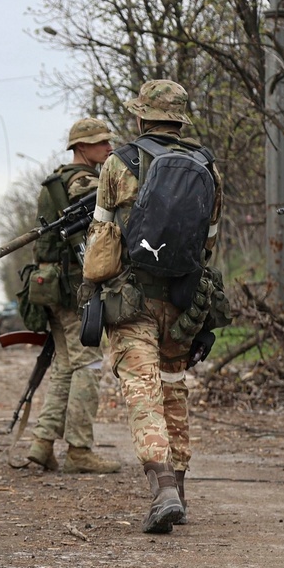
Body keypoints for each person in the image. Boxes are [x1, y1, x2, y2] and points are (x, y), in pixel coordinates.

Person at [84, 79, 223, 534]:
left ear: (141, 117)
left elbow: (102, 240)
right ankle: (179, 489)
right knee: (173, 386)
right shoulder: (207, 166)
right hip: (183, 299)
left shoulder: (117, 164)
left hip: (132, 299)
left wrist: (92, 291)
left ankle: (161, 487)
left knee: (143, 390)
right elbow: (209, 245)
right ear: (180, 120)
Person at [24, 117, 123, 474]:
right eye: (100, 143)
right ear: (81, 147)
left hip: (51, 284)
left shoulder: (54, 181)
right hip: (73, 287)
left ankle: (42, 442)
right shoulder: (84, 181)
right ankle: (80, 449)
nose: (108, 148)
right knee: (89, 363)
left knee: (66, 366)